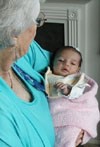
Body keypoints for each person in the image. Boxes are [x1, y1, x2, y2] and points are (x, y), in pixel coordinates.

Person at [0, 0, 84, 146]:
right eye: (37, 21)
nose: (36, 29)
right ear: (15, 34)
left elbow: (66, 63)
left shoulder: (23, 54)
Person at [45, 46, 100, 147]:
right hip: (55, 118)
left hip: (73, 118)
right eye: (61, 60)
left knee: (69, 135)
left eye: (73, 63)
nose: (66, 64)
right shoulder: (48, 77)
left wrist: (68, 90)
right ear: (52, 63)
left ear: (78, 69)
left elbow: (84, 93)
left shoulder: (78, 80)